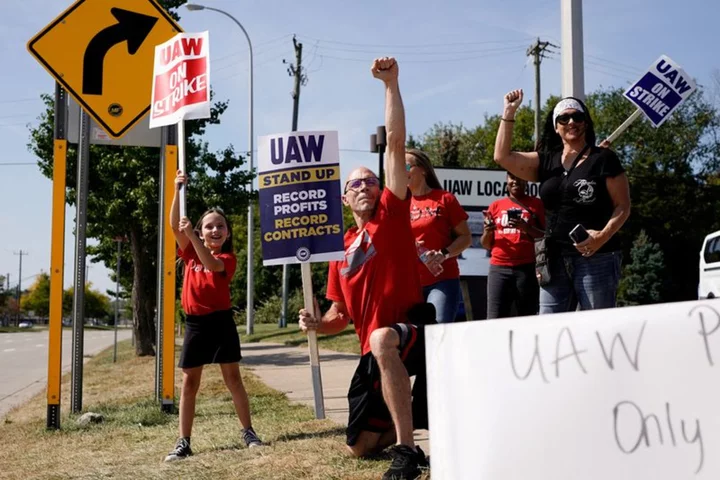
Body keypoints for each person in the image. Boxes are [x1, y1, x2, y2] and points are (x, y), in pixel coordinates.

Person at [298, 57, 430, 480]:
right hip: (372, 352)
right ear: (344, 199)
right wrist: (317, 324)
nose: (365, 186)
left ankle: (408, 452)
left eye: (371, 181)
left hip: (409, 331)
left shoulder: (391, 214)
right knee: (359, 447)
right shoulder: (338, 252)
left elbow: (394, 141)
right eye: (355, 183)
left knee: (379, 337)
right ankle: (406, 425)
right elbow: (340, 318)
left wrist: (391, 84)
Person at [493, 89, 631, 313]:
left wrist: (602, 236)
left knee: (596, 327)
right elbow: (502, 157)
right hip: (554, 259)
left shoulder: (603, 158)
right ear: (556, 127)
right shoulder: (546, 161)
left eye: (577, 116)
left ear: (585, 122)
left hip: (596, 257)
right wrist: (509, 112)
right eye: (564, 118)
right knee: (551, 328)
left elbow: (623, 206)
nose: (571, 122)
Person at [164, 170, 262, 462]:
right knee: (189, 383)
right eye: (208, 227)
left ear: (227, 233)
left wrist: (192, 235)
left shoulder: (226, 259)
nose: (215, 230)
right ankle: (184, 441)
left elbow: (211, 263)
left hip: (221, 324)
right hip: (195, 325)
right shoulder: (189, 253)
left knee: (233, 378)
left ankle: (248, 431)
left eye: (220, 226)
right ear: (201, 230)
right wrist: (177, 189)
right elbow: (173, 226)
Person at [406, 149, 471, 323]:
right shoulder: (398, 204)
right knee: (414, 340)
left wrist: (444, 254)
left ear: (423, 170)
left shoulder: (445, 199)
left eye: (407, 166)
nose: (402, 172)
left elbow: (466, 237)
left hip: (442, 281)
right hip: (409, 284)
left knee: (438, 335)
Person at [481, 171, 545, 318]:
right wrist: (488, 231)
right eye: (512, 177)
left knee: (526, 317)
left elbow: (544, 236)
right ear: (506, 180)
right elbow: (486, 245)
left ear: (527, 181)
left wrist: (526, 228)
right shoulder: (496, 206)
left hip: (527, 268)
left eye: (520, 178)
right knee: (495, 318)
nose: (515, 181)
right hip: (498, 269)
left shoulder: (537, 204)